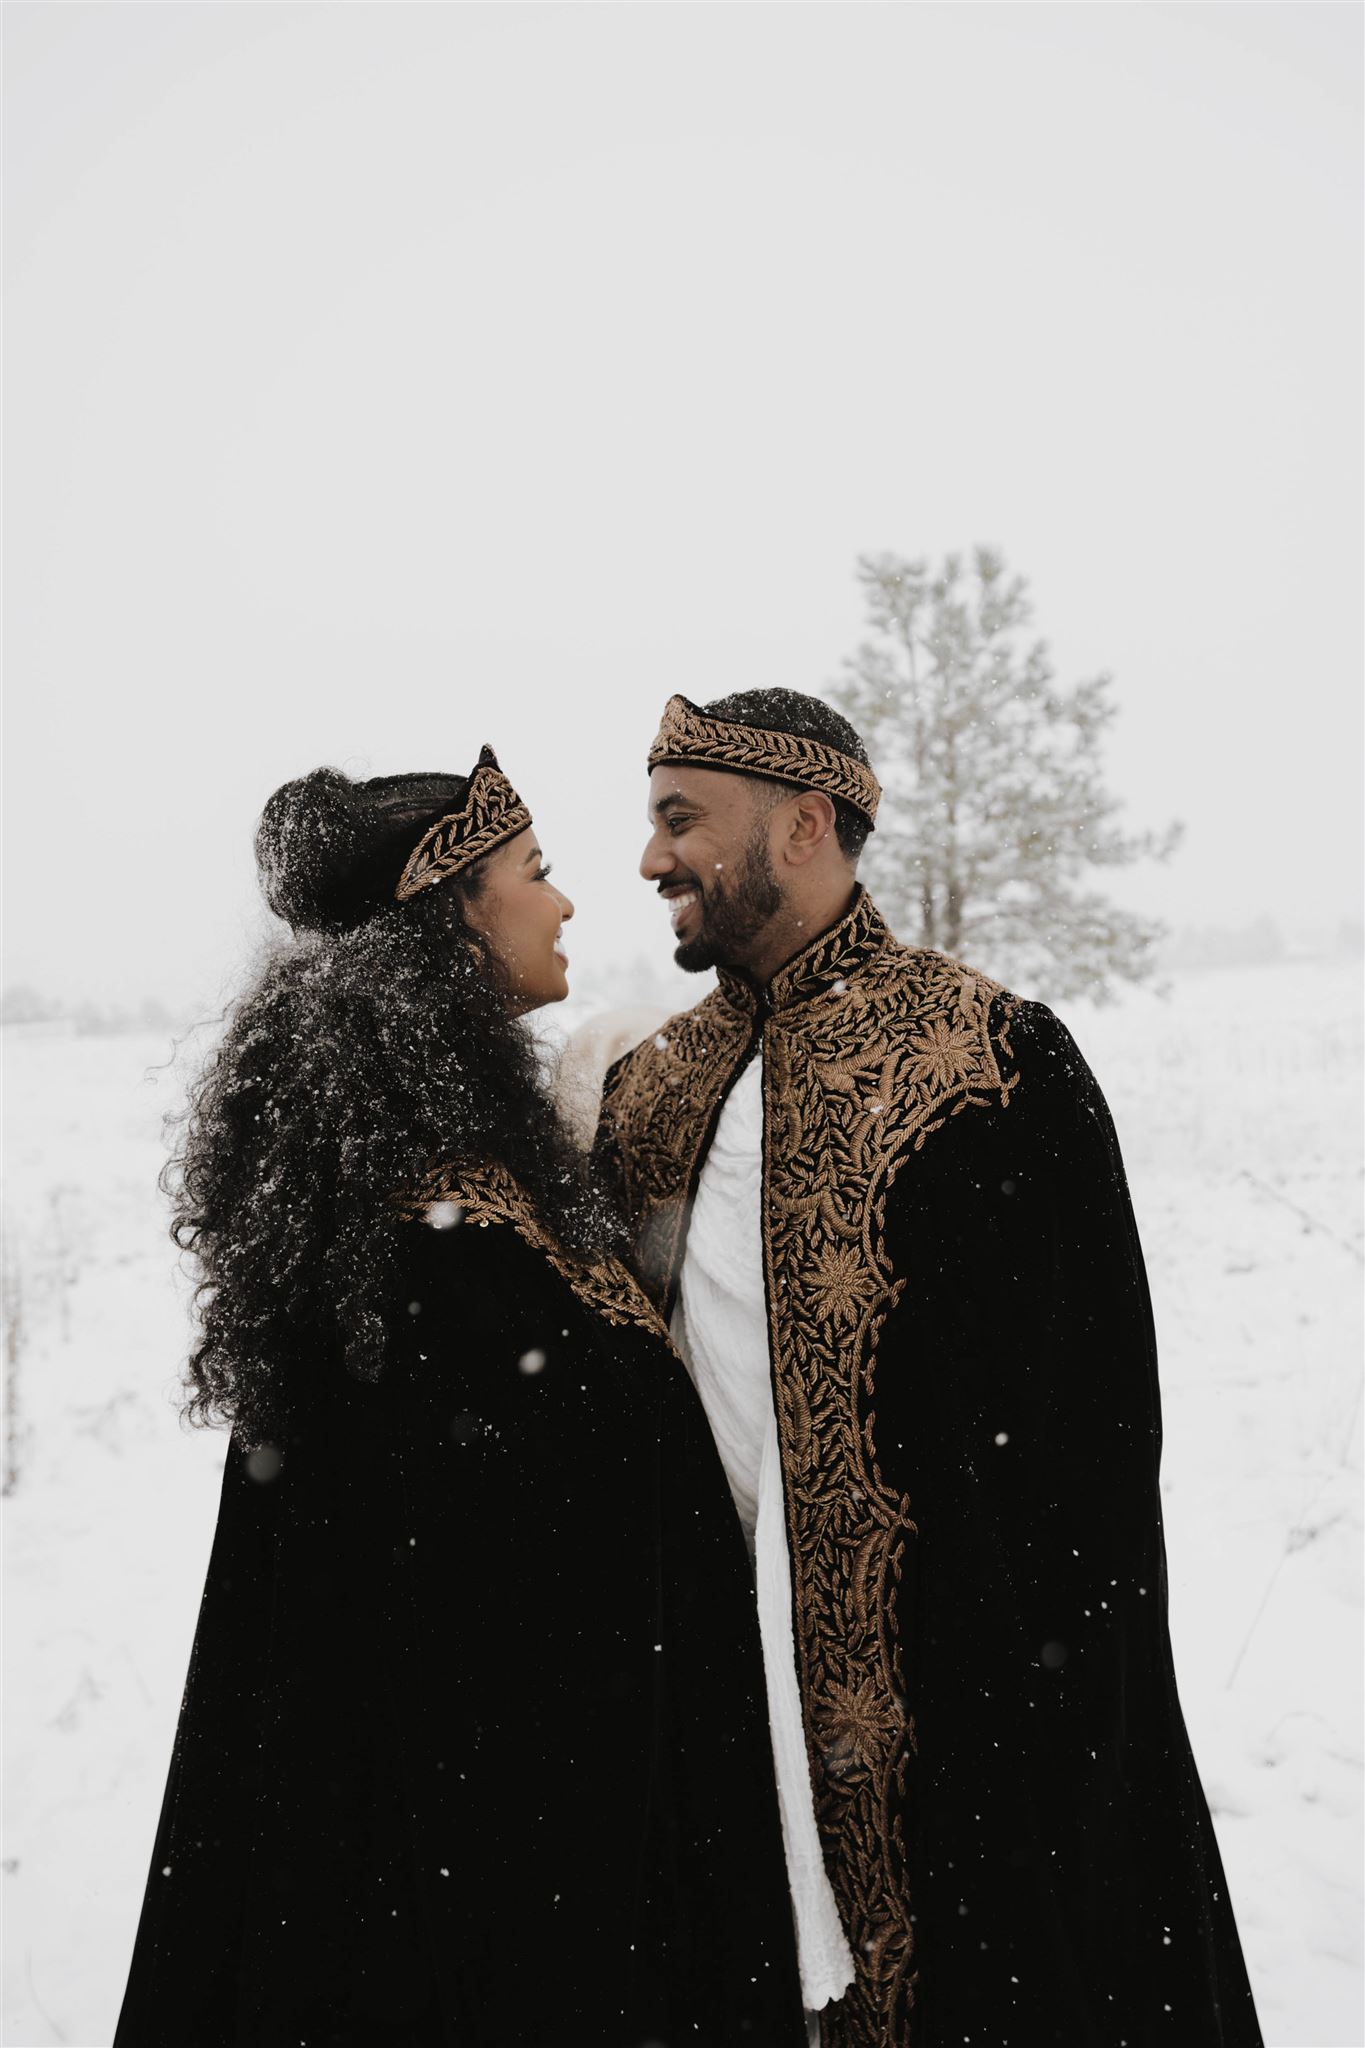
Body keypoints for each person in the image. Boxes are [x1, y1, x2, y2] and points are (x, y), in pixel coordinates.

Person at [593, 690, 1264, 2048]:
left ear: (801, 824)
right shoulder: (648, 1092)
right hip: (721, 1715)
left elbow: (1092, 1444)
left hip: (966, 1732)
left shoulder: (994, 1062)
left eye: (681, 821)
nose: (651, 860)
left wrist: (1067, 1711)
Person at [115, 747, 806, 2047]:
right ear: (452, 919)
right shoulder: (416, 1248)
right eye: (533, 876)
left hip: (547, 1850)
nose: (565, 903)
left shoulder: (470, 1184)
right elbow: (454, 1628)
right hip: (497, 1891)